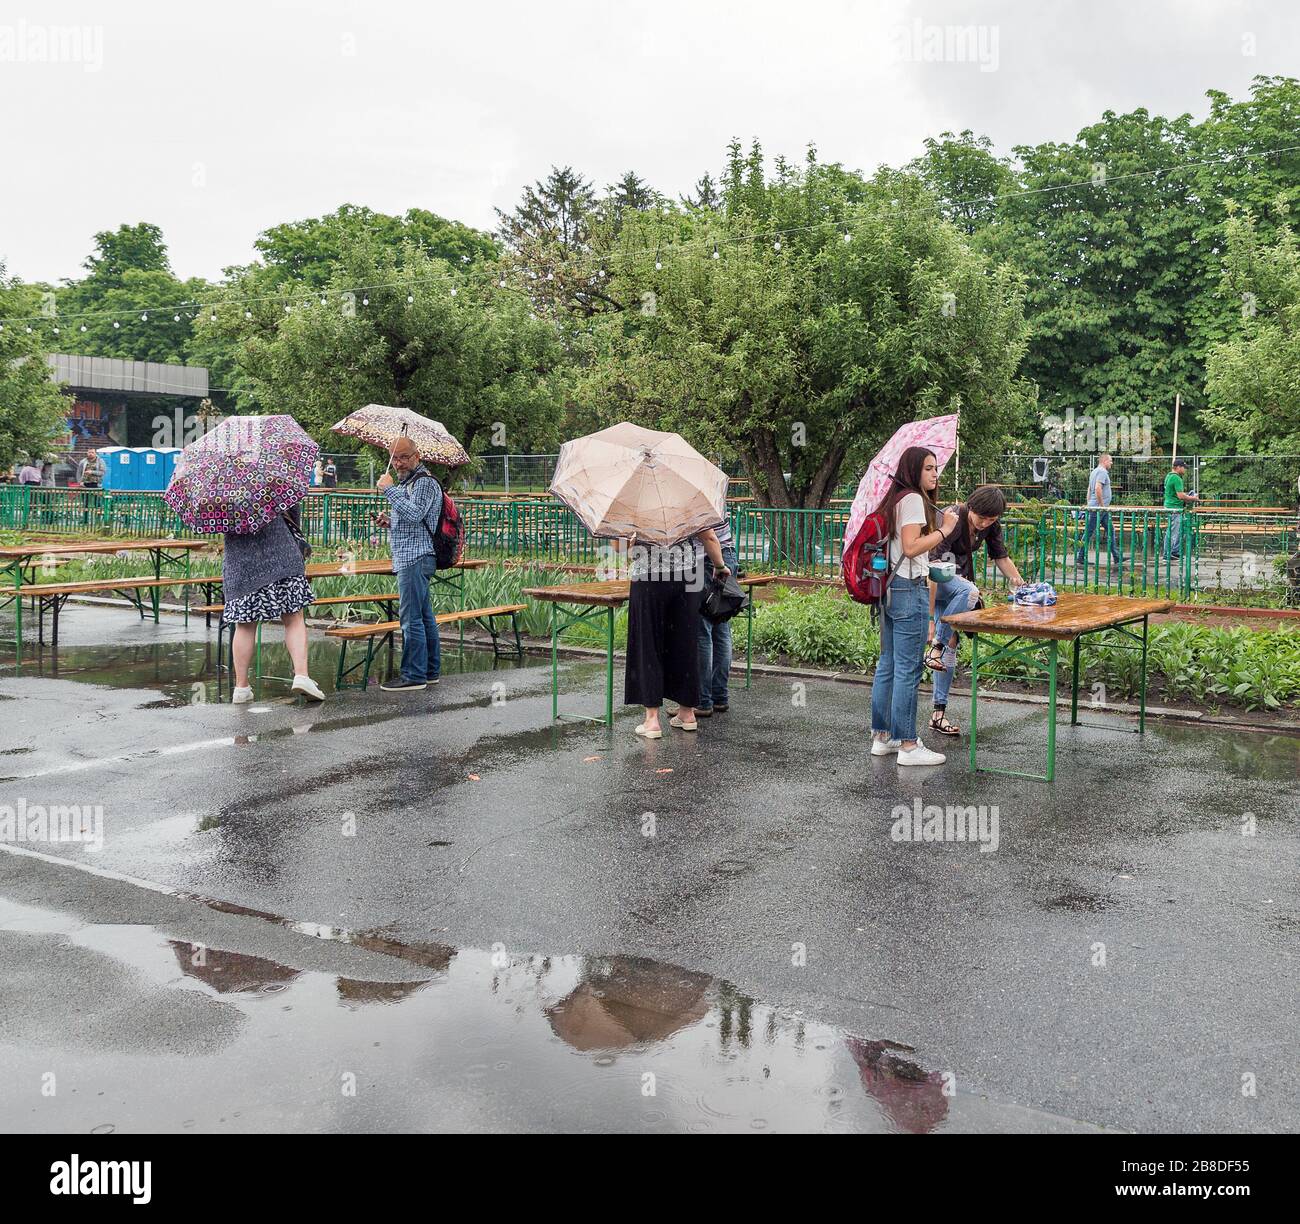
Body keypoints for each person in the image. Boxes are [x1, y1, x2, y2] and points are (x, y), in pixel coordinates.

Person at [870, 446, 958, 767]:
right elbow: (910, 547)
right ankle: (908, 744)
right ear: (913, 471)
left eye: (936, 468)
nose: (935, 473)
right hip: (909, 590)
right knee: (908, 668)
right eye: (929, 468)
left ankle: (883, 737)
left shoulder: (896, 500)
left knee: (889, 664)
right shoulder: (913, 500)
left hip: (891, 589)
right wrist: (944, 530)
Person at [923, 485, 1024, 738]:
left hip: (956, 587)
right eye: (982, 518)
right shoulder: (953, 519)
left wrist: (1020, 584)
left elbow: (1001, 557)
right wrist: (930, 621)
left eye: (992, 519)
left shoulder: (990, 525)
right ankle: (935, 645)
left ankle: (938, 714)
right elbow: (931, 568)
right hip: (935, 580)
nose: (985, 523)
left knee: (951, 646)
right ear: (971, 508)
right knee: (969, 594)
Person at [625, 527, 729, 738]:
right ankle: (687, 713)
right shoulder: (689, 499)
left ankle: (652, 720)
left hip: (648, 576)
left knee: (649, 642)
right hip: (688, 577)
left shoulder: (636, 502)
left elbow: (624, 549)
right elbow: (709, 536)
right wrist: (720, 566)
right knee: (686, 642)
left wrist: (632, 545)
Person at [222, 502, 323, 704]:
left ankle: (241, 688)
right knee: (294, 617)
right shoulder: (271, 476)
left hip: (241, 563)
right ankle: (302, 675)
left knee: (245, 625)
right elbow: (293, 513)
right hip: (281, 556)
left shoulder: (217, 489)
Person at [376, 437, 443, 692]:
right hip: (410, 556)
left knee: (411, 619)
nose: (399, 463)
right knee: (425, 618)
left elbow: (416, 514)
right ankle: (429, 671)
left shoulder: (425, 482)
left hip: (416, 559)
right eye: (395, 458)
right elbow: (411, 520)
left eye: (404, 457)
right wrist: (390, 522)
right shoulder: (409, 483)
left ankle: (413, 675)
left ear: (417, 455)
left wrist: (389, 490)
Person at [696, 519, 740, 717]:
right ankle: (719, 697)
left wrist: (718, 564)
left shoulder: (696, 496)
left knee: (701, 630)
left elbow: (708, 534)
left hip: (709, 558)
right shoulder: (715, 491)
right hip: (726, 552)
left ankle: (702, 700)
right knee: (721, 627)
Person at [1075, 453, 1123, 568]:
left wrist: (1088, 503)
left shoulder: (1094, 471)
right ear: (1105, 461)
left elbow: (1089, 489)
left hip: (1098, 507)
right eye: (1110, 461)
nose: (1111, 463)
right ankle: (1080, 557)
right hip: (1099, 508)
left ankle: (1116, 556)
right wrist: (1101, 505)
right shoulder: (1102, 472)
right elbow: (1097, 488)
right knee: (1089, 532)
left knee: (1110, 530)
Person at [1162, 459, 1199, 560]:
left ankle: (1174, 551)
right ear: (1178, 467)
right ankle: (1166, 555)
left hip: (1170, 506)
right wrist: (1193, 498)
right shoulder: (1176, 478)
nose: (1185, 470)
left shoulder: (1169, 476)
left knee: (1176, 531)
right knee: (1172, 532)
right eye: (1183, 468)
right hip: (1174, 508)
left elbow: (1175, 494)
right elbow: (1180, 496)